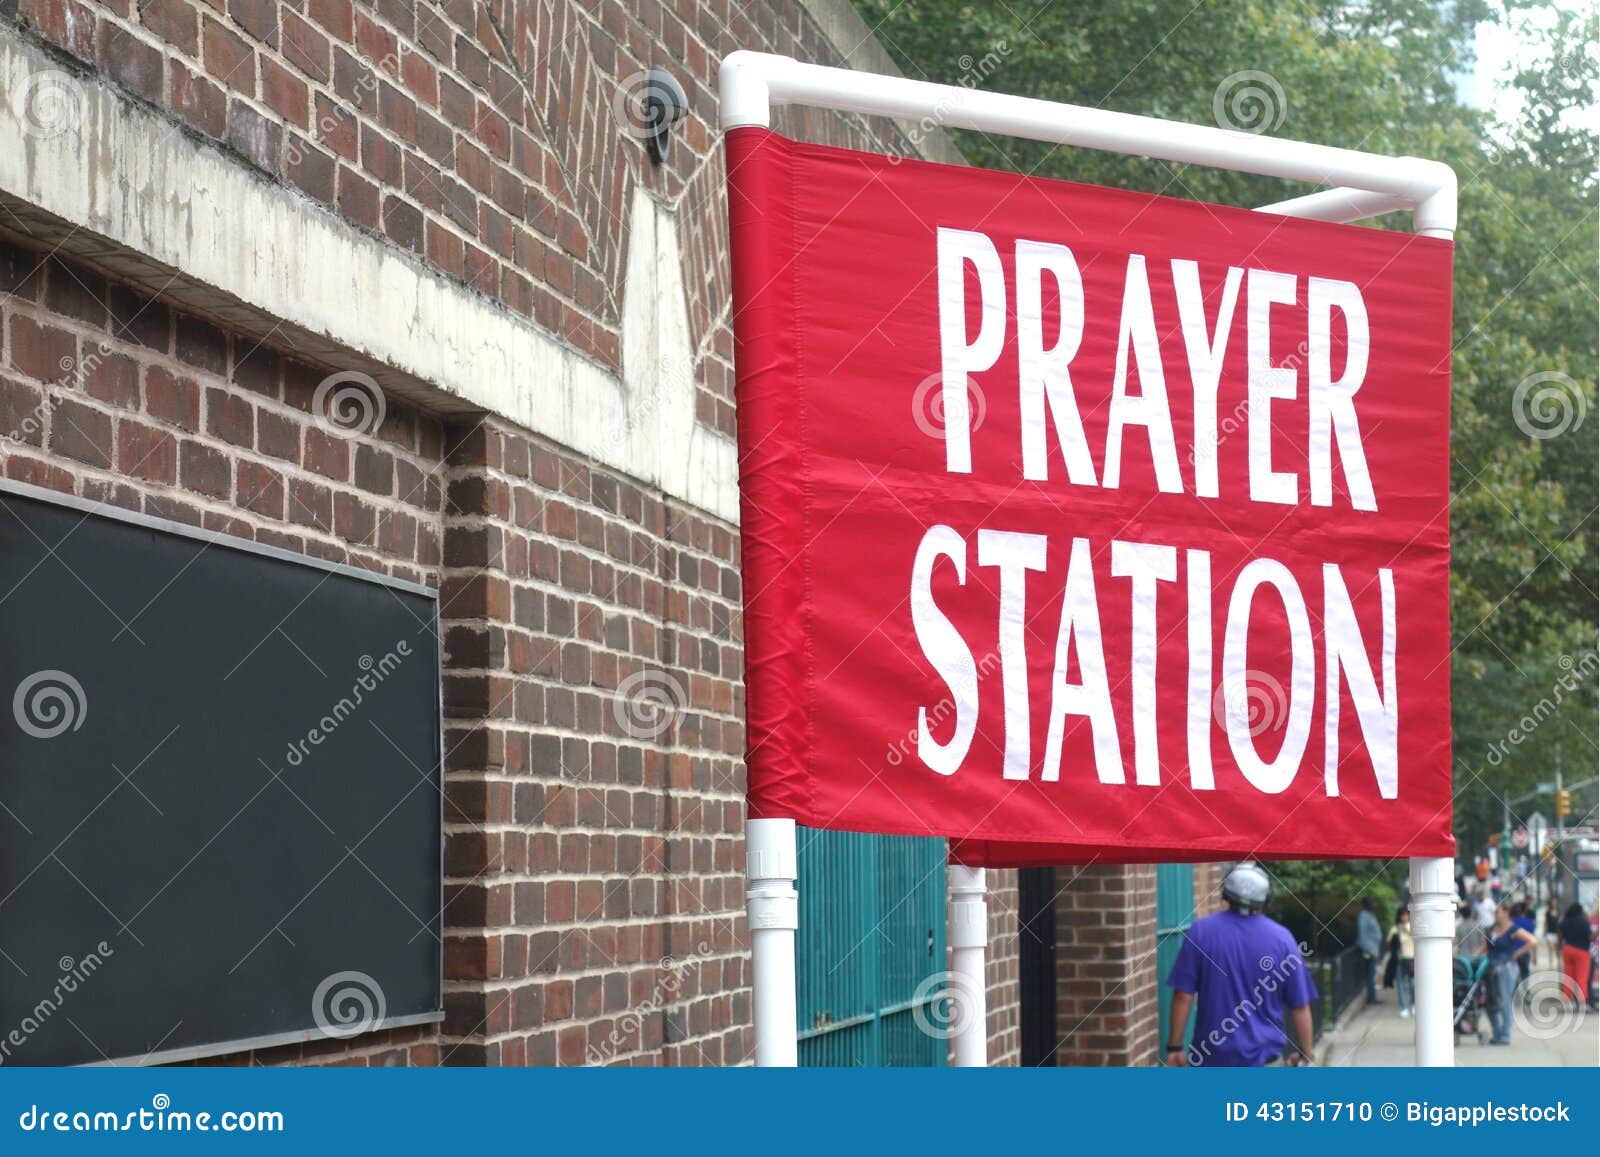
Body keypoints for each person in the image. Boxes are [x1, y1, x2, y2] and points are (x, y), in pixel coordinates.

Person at [1165, 863, 1318, 1067]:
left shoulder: (1201, 932)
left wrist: (1175, 1047)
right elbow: (1300, 1006)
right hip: (1265, 1061)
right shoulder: (1283, 939)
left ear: (1226, 894)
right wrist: (1305, 1053)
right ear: (1264, 899)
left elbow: (1183, 995)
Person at [1484, 901, 1538, 1045]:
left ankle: (1505, 1034)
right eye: (1495, 912)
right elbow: (1484, 948)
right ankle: (1497, 1032)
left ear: (1506, 913)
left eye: (1499, 912)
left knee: (1504, 1000)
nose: (1497, 915)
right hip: (1491, 967)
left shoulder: (1512, 929)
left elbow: (1532, 941)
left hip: (1507, 968)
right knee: (1490, 1003)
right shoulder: (1491, 929)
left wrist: (1517, 953)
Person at [1558, 902, 1593, 1010]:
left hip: (1567, 949)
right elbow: (1590, 937)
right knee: (1581, 978)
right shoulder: (1584, 922)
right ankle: (1582, 1004)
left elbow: (1560, 935)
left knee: (1569, 977)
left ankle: (1565, 1003)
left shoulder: (1565, 921)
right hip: (1582, 952)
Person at [1388, 907, 1416, 1018]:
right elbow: (1389, 943)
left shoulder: (1413, 927)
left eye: (1406, 915)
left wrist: (1407, 929)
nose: (1404, 917)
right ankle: (1404, 1007)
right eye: (1402, 915)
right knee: (1400, 985)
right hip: (1400, 959)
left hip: (1412, 959)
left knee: (1413, 984)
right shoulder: (1395, 929)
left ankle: (1414, 1004)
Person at [1356, 897, 1383, 1005]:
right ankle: (1371, 998)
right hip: (1369, 950)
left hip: (1373, 949)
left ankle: (1372, 997)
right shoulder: (1363, 916)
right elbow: (1362, 934)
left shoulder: (1370, 915)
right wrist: (1368, 949)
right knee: (1370, 975)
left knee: (1371, 974)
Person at [1511, 901, 1536, 989]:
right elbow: (1533, 939)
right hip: (1525, 951)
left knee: (1514, 974)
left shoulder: (1510, 922)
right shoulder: (1530, 922)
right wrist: (1534, 956)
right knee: (1525, 973)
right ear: (1524, 911)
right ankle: (1525, 992)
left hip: (1513, 952)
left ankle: (1515, 992)